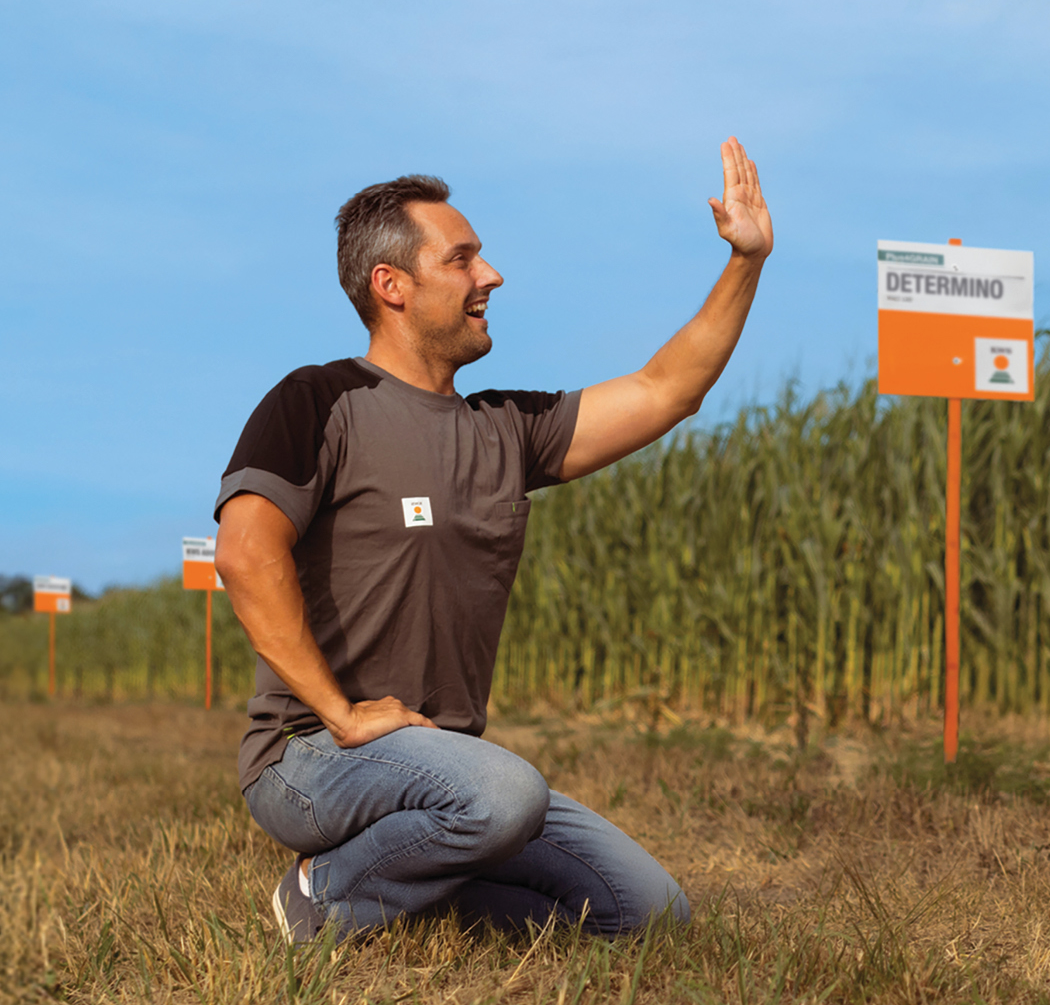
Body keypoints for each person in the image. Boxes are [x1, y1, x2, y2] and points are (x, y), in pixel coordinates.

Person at [214, 140, 773, 942]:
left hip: (446, 764)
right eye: (463, 259)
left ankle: (412, 908)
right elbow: (245, 554)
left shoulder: (507, 429)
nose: (492, 276)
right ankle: (323, 897)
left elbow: (665, 389)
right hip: (312, 758)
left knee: (651, 915)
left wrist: (745, 263)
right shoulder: (318, 401)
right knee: (507, 795)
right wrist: (338, 712)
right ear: (392, 286)